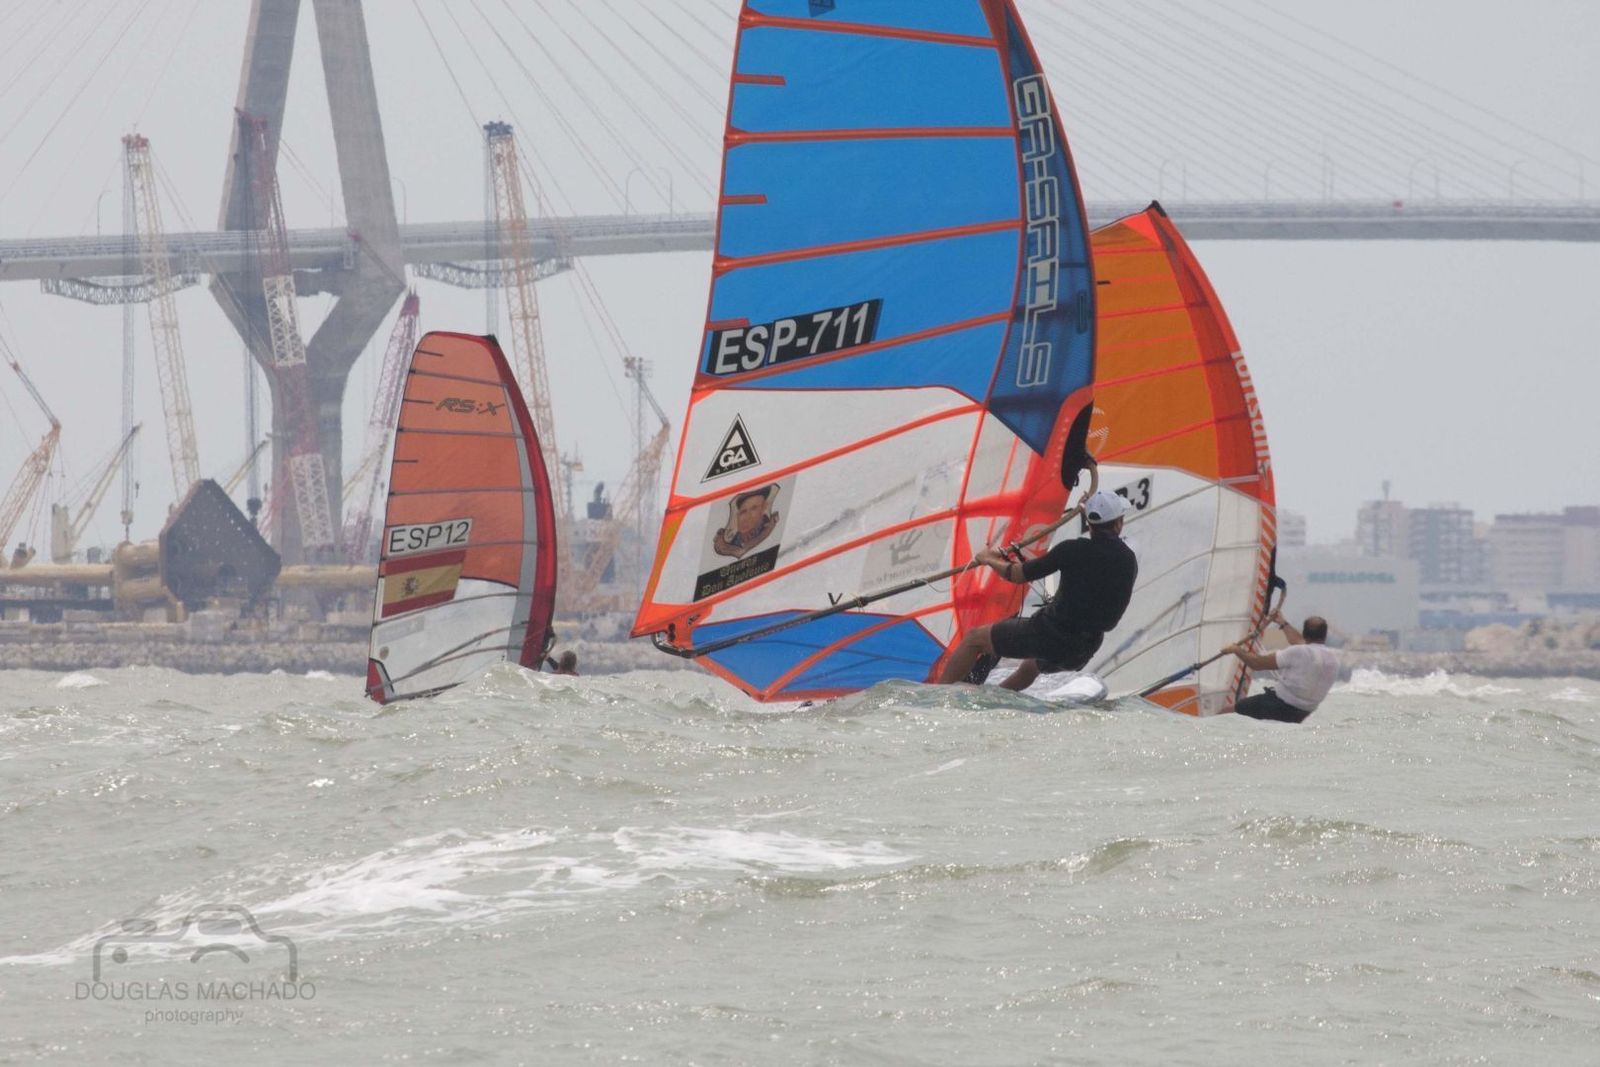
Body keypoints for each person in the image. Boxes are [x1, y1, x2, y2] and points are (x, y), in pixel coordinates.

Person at [937, 490, 1138, 691]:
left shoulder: (1071, 550)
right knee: (1030, 667)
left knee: (974, 639)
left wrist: (988, 558)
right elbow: (1096, 561)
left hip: (1049, 635)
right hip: (1083, 649)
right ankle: (995, 697)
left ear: (1089, 522)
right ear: (1118, 523)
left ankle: (939, 694)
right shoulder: (1128, 560)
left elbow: (1018, 574)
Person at [1224, 612, 1338, 723]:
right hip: (1304, 714)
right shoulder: (1333, 659)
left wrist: (1236, 650)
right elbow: (1300, 642)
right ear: (1325, 635)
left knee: (1230, 710)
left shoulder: (1298, 652)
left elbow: (1257, 664)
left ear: (1304, 633)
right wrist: (1282, 623)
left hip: (1280, 706)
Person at [713, 485, 780, 559]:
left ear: (764, 508)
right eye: (743, 512)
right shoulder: (732, 539)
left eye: (754, 508)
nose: (747, 517)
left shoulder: (767, 525)